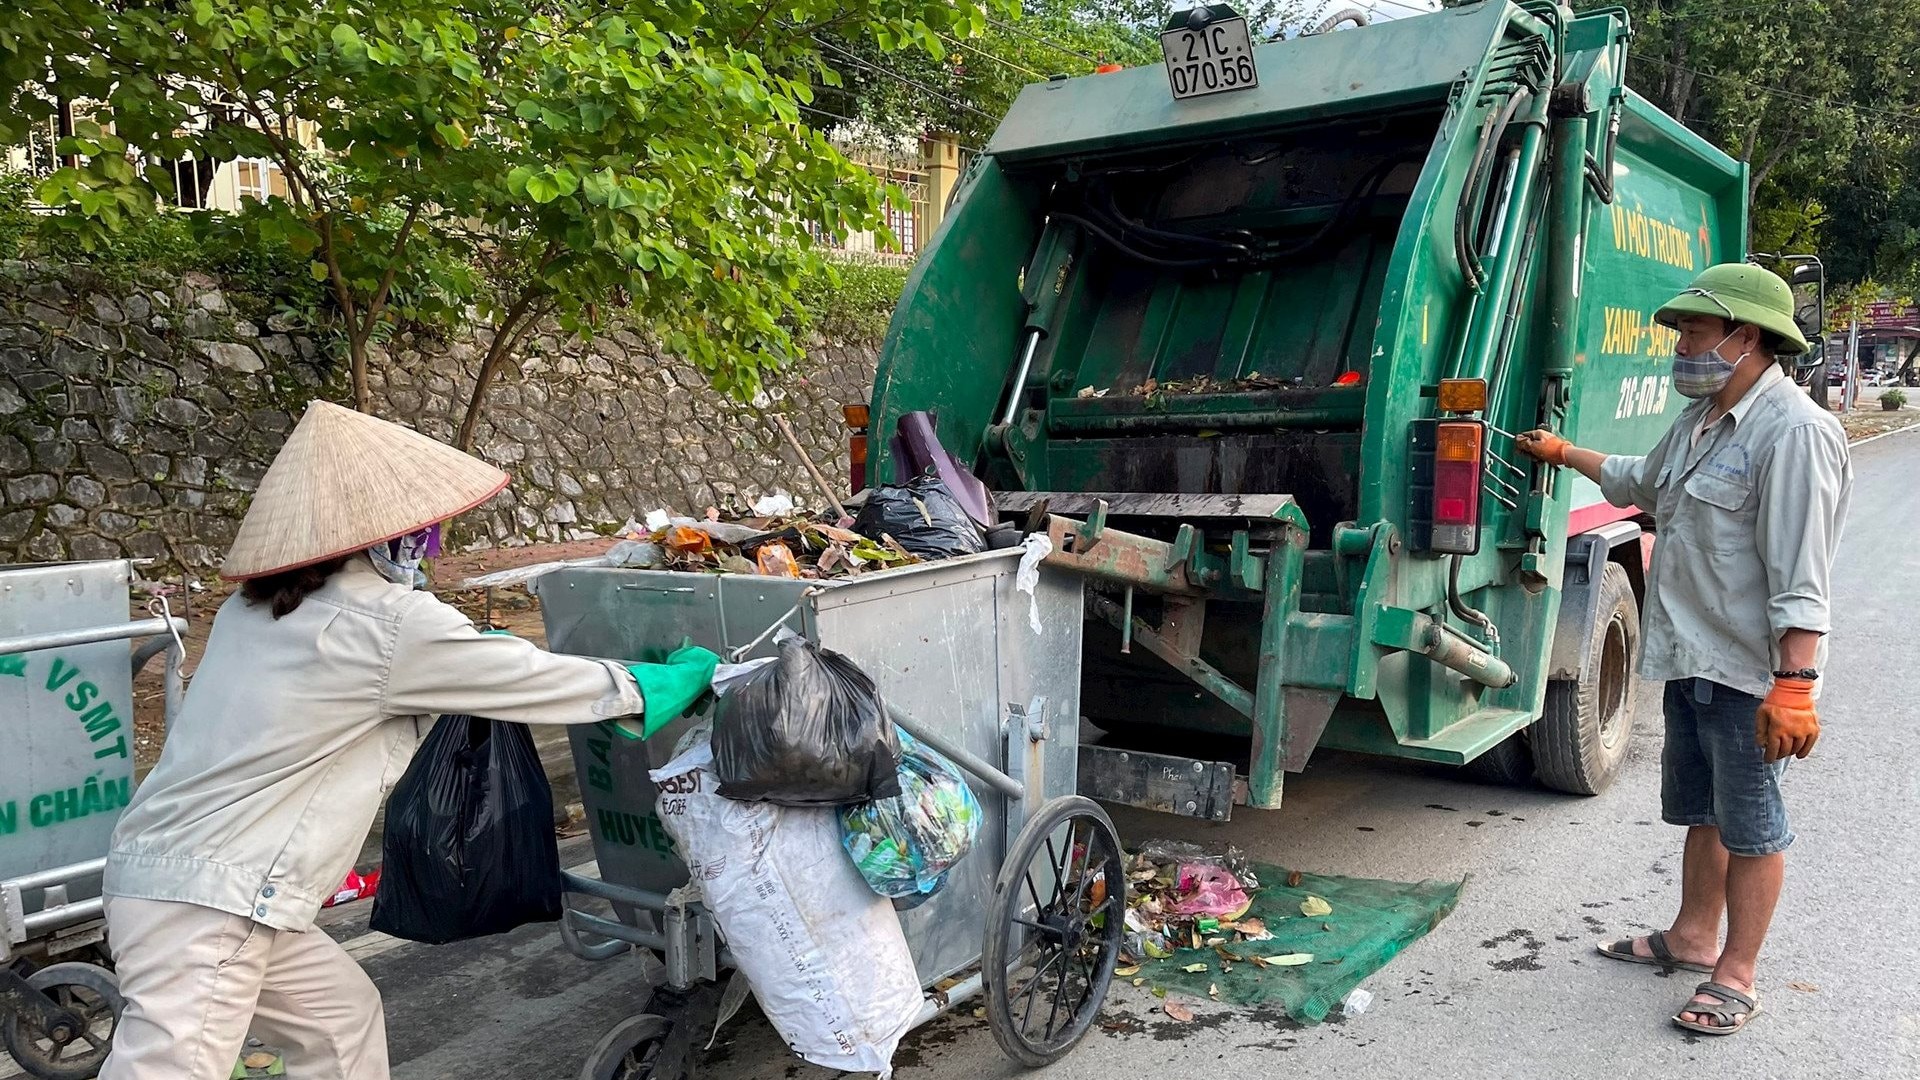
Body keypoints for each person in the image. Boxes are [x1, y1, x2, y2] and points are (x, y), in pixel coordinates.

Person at [99, 401, 719, 1079]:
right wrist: (659, 684)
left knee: (341, 1023)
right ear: (388, 535)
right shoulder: (390, 622)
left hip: (180, 874)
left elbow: (347, 680)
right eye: (425, 532)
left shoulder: (259, 607)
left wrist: (463, 656)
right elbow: (538, 681)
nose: (431, 545)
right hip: (211, 902)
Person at [1515, 263, 1851, 1036]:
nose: (1682, 344)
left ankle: (1736, 974)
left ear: (1749, 337)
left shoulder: (1794, 432)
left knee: (1753, 824)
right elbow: (1645, 482)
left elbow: (1803, 576)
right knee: (1705, 813)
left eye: (1696, 330)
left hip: (1749, 673)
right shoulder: (1704, 419)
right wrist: (1568, 455)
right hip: (1692, 657)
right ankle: (1694, 937)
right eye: (1681, 331)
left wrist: (1794, 685)